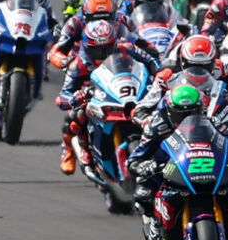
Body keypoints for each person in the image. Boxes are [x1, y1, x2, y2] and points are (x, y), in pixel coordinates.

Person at [131, 84, 228, 240]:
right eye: (180, 114)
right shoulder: (156, 126)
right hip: (166, 168)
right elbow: (136, 157)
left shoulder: (213, 123)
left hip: (202, 164)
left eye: (191, 113)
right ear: (169, 111)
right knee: (143, 194)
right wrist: (143, 166)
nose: (185, 119)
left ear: (200, 109)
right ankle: (154, 224)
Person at [54, 20, 161, 176]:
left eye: (108, 49)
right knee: (77, 116)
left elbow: (151, 61)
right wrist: (75, 98)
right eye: (97, 50)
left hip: (127, 90)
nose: (103, 55)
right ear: (87, 48)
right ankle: (83, 151)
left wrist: (159, 76)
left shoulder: (128, 48)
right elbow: (63, 96)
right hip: (95, 95)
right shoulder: (78, 63)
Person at [50, 0, 130, 68]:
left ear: (114, 13)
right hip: (84, 65)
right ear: (85, 15)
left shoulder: (121, 19)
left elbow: (138, 41)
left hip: (117, 63)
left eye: (106, 18)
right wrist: (63, 61)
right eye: (95, 18)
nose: (101, 24)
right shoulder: (75, 23)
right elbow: (54, 52)